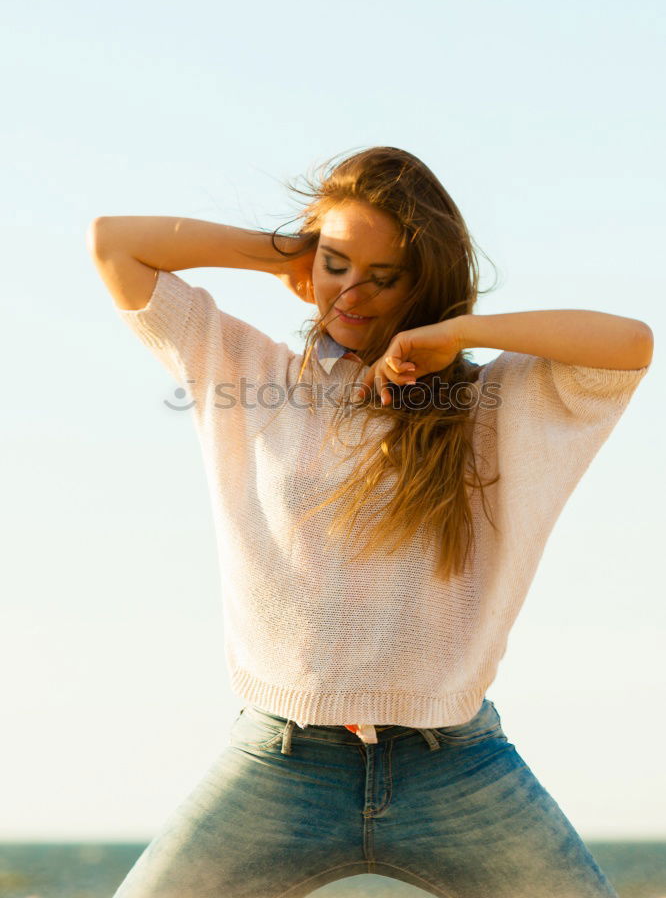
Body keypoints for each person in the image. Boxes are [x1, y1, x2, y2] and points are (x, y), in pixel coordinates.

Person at [86, 146, 652, 898]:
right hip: (281, 761)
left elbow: (630, 346)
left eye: (383, 277)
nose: (351, 291)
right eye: (337, 264)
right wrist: (284, 251)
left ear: (425, 283)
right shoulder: (248, 376)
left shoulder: (487, 406)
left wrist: (453, 336)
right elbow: (114, 243)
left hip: (455, 765)